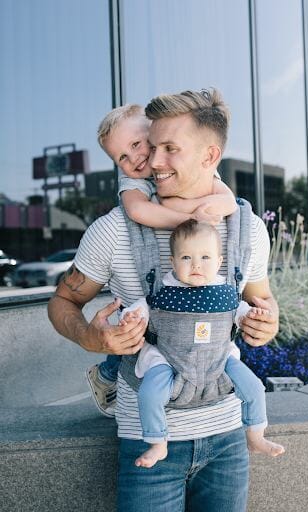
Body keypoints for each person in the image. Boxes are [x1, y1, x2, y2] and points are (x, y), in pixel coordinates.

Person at [48, 88, 279, 512]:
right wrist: (91, 337)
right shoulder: (114, 230)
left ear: (210, 156)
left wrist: (268, 320)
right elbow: (62, 301)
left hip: (229, 438)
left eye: (168, 149)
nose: (151, 162)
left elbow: (261, 296)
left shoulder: (248, 228)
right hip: (148, 443)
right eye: (150, 147)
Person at [85, 102, 237, 416]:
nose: (138, 158)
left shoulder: (187, 167)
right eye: (122, 157)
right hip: (148, 317)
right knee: (138, 328)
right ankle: (106, 376)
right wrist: (189, 218)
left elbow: (227, 201)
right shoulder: (134, 184)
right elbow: (139, 211)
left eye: (139, 144)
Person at [116, 219, 284, 468]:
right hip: (168, 359)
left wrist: (255, 316)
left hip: (219, 358)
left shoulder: (226, 292)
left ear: (219, 261)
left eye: (205, 257)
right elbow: (139, 309)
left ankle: (256, 435)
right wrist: (128, 316)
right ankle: (158, 443)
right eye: (186, 258)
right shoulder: (162, 292)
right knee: (150, 394)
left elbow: (243, 313)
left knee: (255, 388)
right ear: (172, 262)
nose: (196, 264)